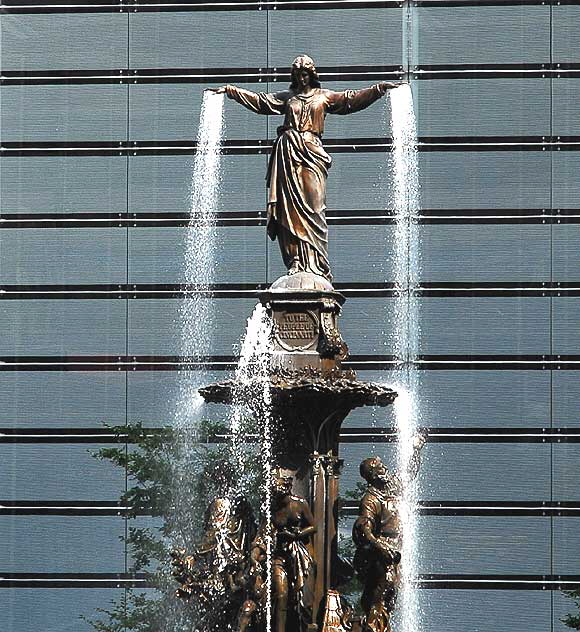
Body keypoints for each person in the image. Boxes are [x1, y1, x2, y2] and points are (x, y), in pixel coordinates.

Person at [208, 55, 403, 281]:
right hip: (287, 153)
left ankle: (317, 264)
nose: (301, 78)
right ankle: (296, 262)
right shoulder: (288, 97)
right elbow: (261, 102)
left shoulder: (324, 97)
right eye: (297, 75)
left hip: (312, 154)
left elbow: (350, 100)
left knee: (315, 206)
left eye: (305, 74)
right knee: (288, 209)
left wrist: (379, 89)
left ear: (312, 74)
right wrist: (232, 91)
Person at [352, 433, 426, 632]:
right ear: (373, 475)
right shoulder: (370, 499)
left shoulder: (391, 488)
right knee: (382, 592)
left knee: (390, 595)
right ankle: (371, 627)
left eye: (382, 464)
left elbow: (410, 472)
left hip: (395, 548)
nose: (384, 467)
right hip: (383, 552)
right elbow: (364, 530)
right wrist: (381, 547)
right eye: (379, 466)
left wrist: (416, 449)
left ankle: (381, 626)